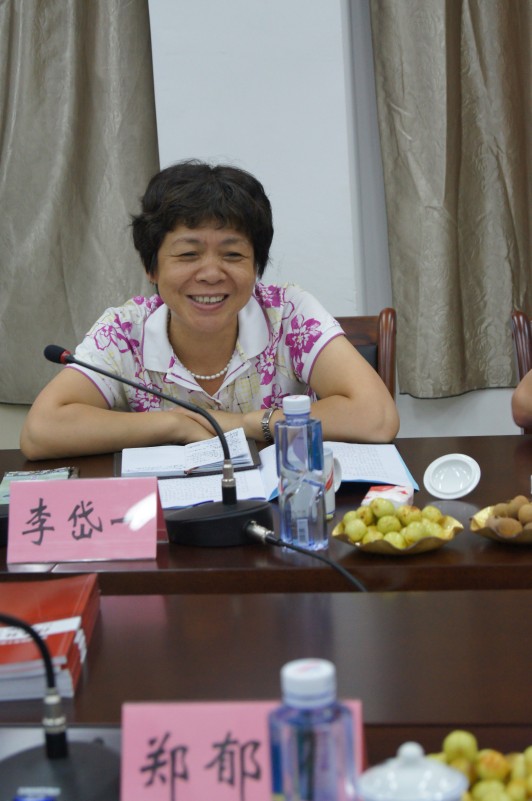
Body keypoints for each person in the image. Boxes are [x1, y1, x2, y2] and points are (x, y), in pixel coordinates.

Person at [21, 160, 399, 459]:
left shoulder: (289, 314)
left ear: (256, 267)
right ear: (152, 268)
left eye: (232, 255)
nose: (211, 273)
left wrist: (244, 423)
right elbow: (40, 432)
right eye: (188, 254)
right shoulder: (124, 331)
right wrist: (176, 425)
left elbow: (377, 417)